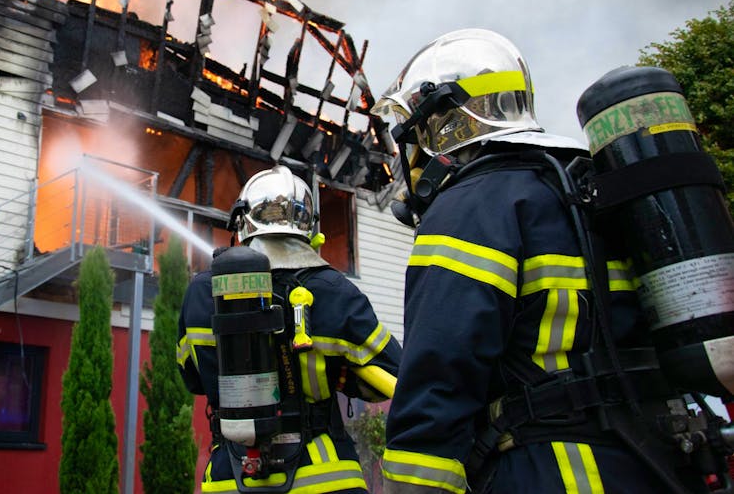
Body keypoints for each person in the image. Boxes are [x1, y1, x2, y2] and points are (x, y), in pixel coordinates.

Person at [371, 29, 710, 494]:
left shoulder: (470, 206)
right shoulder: (595, 187)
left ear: (441, 122)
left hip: (552, 468)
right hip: (658, 459)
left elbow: (439, 375)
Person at [177, 164, 403, 493]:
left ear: (242, 223)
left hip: (231, 476)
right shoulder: (334, 289)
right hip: (326, 475)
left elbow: (192, 378)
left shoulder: (202, 291)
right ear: (308, 228)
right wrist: (341, 377)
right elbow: (390, 375)